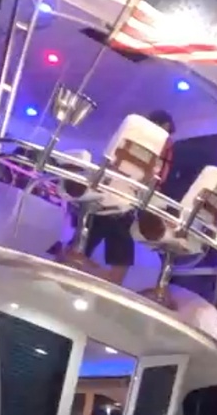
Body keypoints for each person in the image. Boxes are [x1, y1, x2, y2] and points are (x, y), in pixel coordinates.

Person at [65, 109, 176, 284]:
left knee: (87, 244)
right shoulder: (162, 145)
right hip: (121, 201)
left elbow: (108, 158)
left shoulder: (132, 130)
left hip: (107, 196)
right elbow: (157, 181)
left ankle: (77, 266)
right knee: (119, 261)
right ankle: (96, 276)